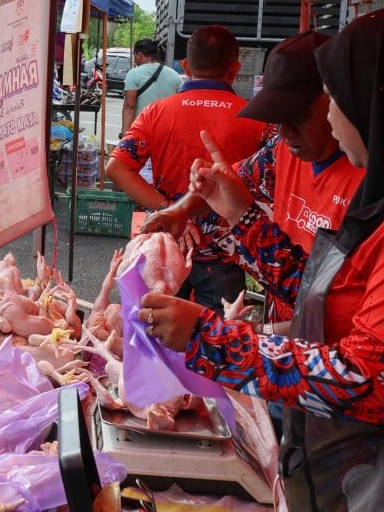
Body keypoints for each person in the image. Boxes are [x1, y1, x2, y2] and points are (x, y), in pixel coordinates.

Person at [139, 6, 384, 512]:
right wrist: (239, 216)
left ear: (377, 98)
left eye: (336, 99)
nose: (333, 119)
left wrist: (214, 341)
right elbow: (322, 299)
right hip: (338, 467)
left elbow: (375, 379)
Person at [142, 30, 365, 330]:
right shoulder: (280, 152)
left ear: (337, 101)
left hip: (323, 344)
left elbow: (339, 306)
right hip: (283, 325)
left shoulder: (374, 185)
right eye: (278, 119)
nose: (285, 133)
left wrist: (259, 335)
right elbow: (226, 183)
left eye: (298, 117)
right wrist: (181, 210)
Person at [106, 24, 266, 314]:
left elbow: (117, 168)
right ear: (234, 69)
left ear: (185, 66)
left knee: (156, 338)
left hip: (166, 249)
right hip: (226, 254)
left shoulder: (156, 112)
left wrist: (169, 208)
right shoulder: (254, 118)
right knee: (219, 343)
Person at [120, 37, 182, 137]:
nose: (134, 60)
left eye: (134, 56)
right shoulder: (175, 75)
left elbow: (130, 106)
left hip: (141, 131)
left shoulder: (133, 74)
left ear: (139, 55)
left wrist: (124, 135)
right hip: (166, 133)